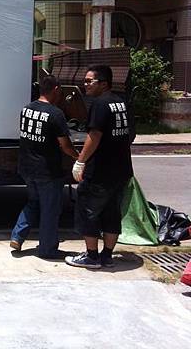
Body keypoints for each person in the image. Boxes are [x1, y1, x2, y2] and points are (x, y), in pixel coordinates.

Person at [66, 65, 134, 269]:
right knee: (112, 213)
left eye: (89, 81)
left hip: (101, 171)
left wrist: (80, 161)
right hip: (121, 170)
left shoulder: (100, 104)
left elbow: (94, 136)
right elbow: (130, 133)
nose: (85, 85)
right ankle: (107, 256)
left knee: (88, 209)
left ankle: (92, 256)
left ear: (103, 83)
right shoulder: (120, 103)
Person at [10, 75, 79, 258]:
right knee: (50, 210)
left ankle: (17, 236)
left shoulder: (26, 109)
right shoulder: (55, 114)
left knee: (33, 203)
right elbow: (65, 146)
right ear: (55, 89)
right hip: (47, 171)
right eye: (60, 92)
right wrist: (79, 158)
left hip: (27, 168)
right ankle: (47, 249)